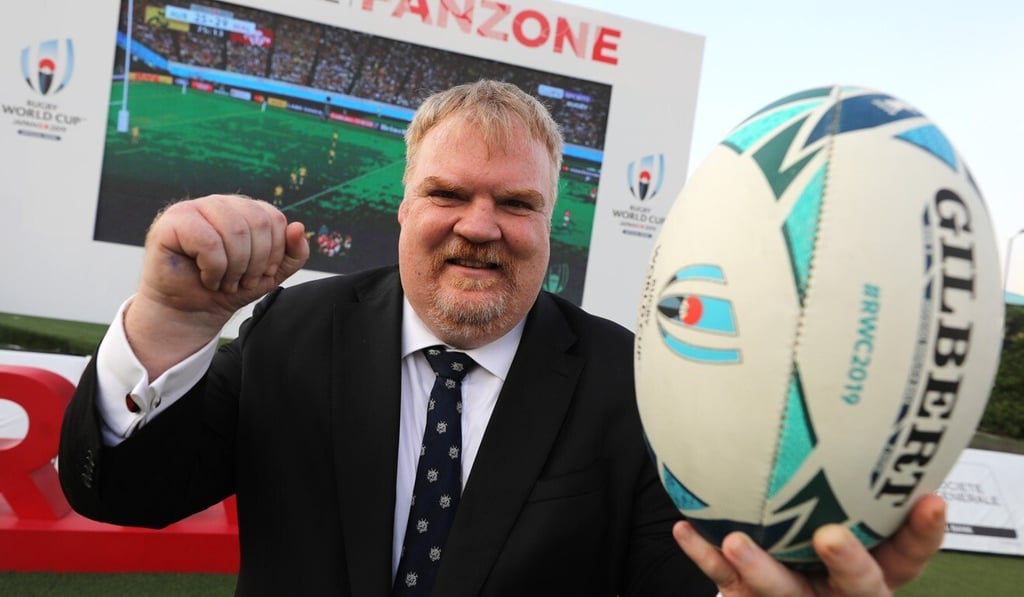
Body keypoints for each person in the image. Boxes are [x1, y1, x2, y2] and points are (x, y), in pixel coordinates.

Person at [58, 80, 945, 596]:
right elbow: (124, 493)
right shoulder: (295, 329)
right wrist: (173, 324)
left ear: (551, 225)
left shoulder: (635, 382)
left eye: (516, 202)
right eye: (448, 194)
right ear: (402, 207)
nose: (480, 226)